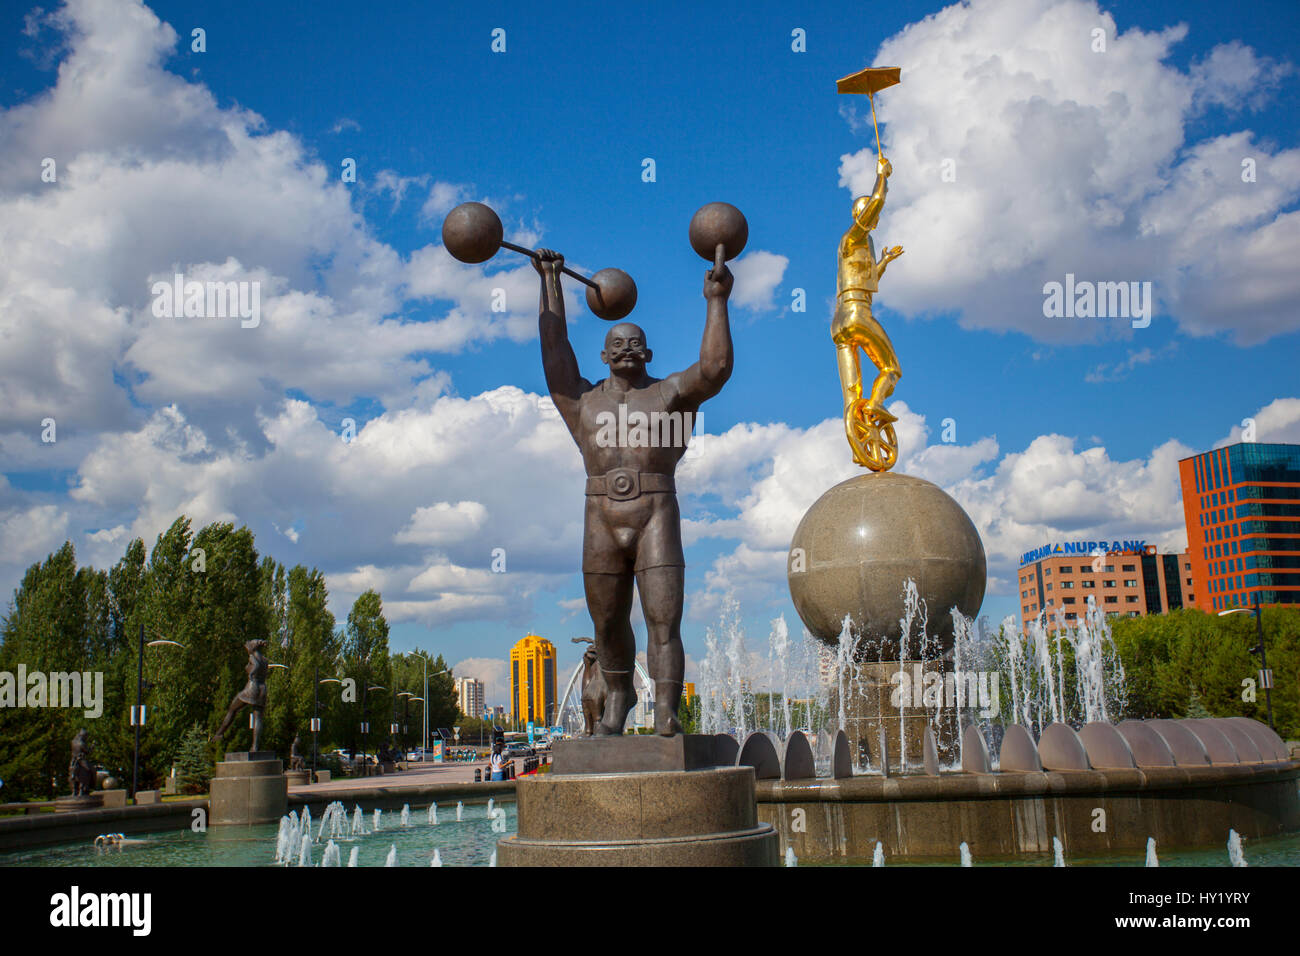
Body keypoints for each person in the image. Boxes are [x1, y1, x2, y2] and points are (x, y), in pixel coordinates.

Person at [533, 243, 733, 735]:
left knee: (663, 620)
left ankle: (666, 708)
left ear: (647, 352)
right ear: (603, 355)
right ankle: (619, 697)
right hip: (599, 513)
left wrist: (716, 300)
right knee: (605, 625)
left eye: (634, 341)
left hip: (655, 511)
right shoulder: (580, 401)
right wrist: (550, 283)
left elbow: (714, 370)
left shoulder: (667, 394)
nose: (625, 348)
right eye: (616, 343)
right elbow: (555, 356)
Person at [832, 155, 904, 470]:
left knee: (852, 392)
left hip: (839, 322)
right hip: (858, 315)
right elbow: (877, 202)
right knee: (891, 369)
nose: (872, 221)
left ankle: (860, 443)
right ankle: (876, 405)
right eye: (867, 217)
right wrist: (882, 177)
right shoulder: (851, 238)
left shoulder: (856, 250)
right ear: (859, 216)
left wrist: (885, 261)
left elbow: (869, 278)